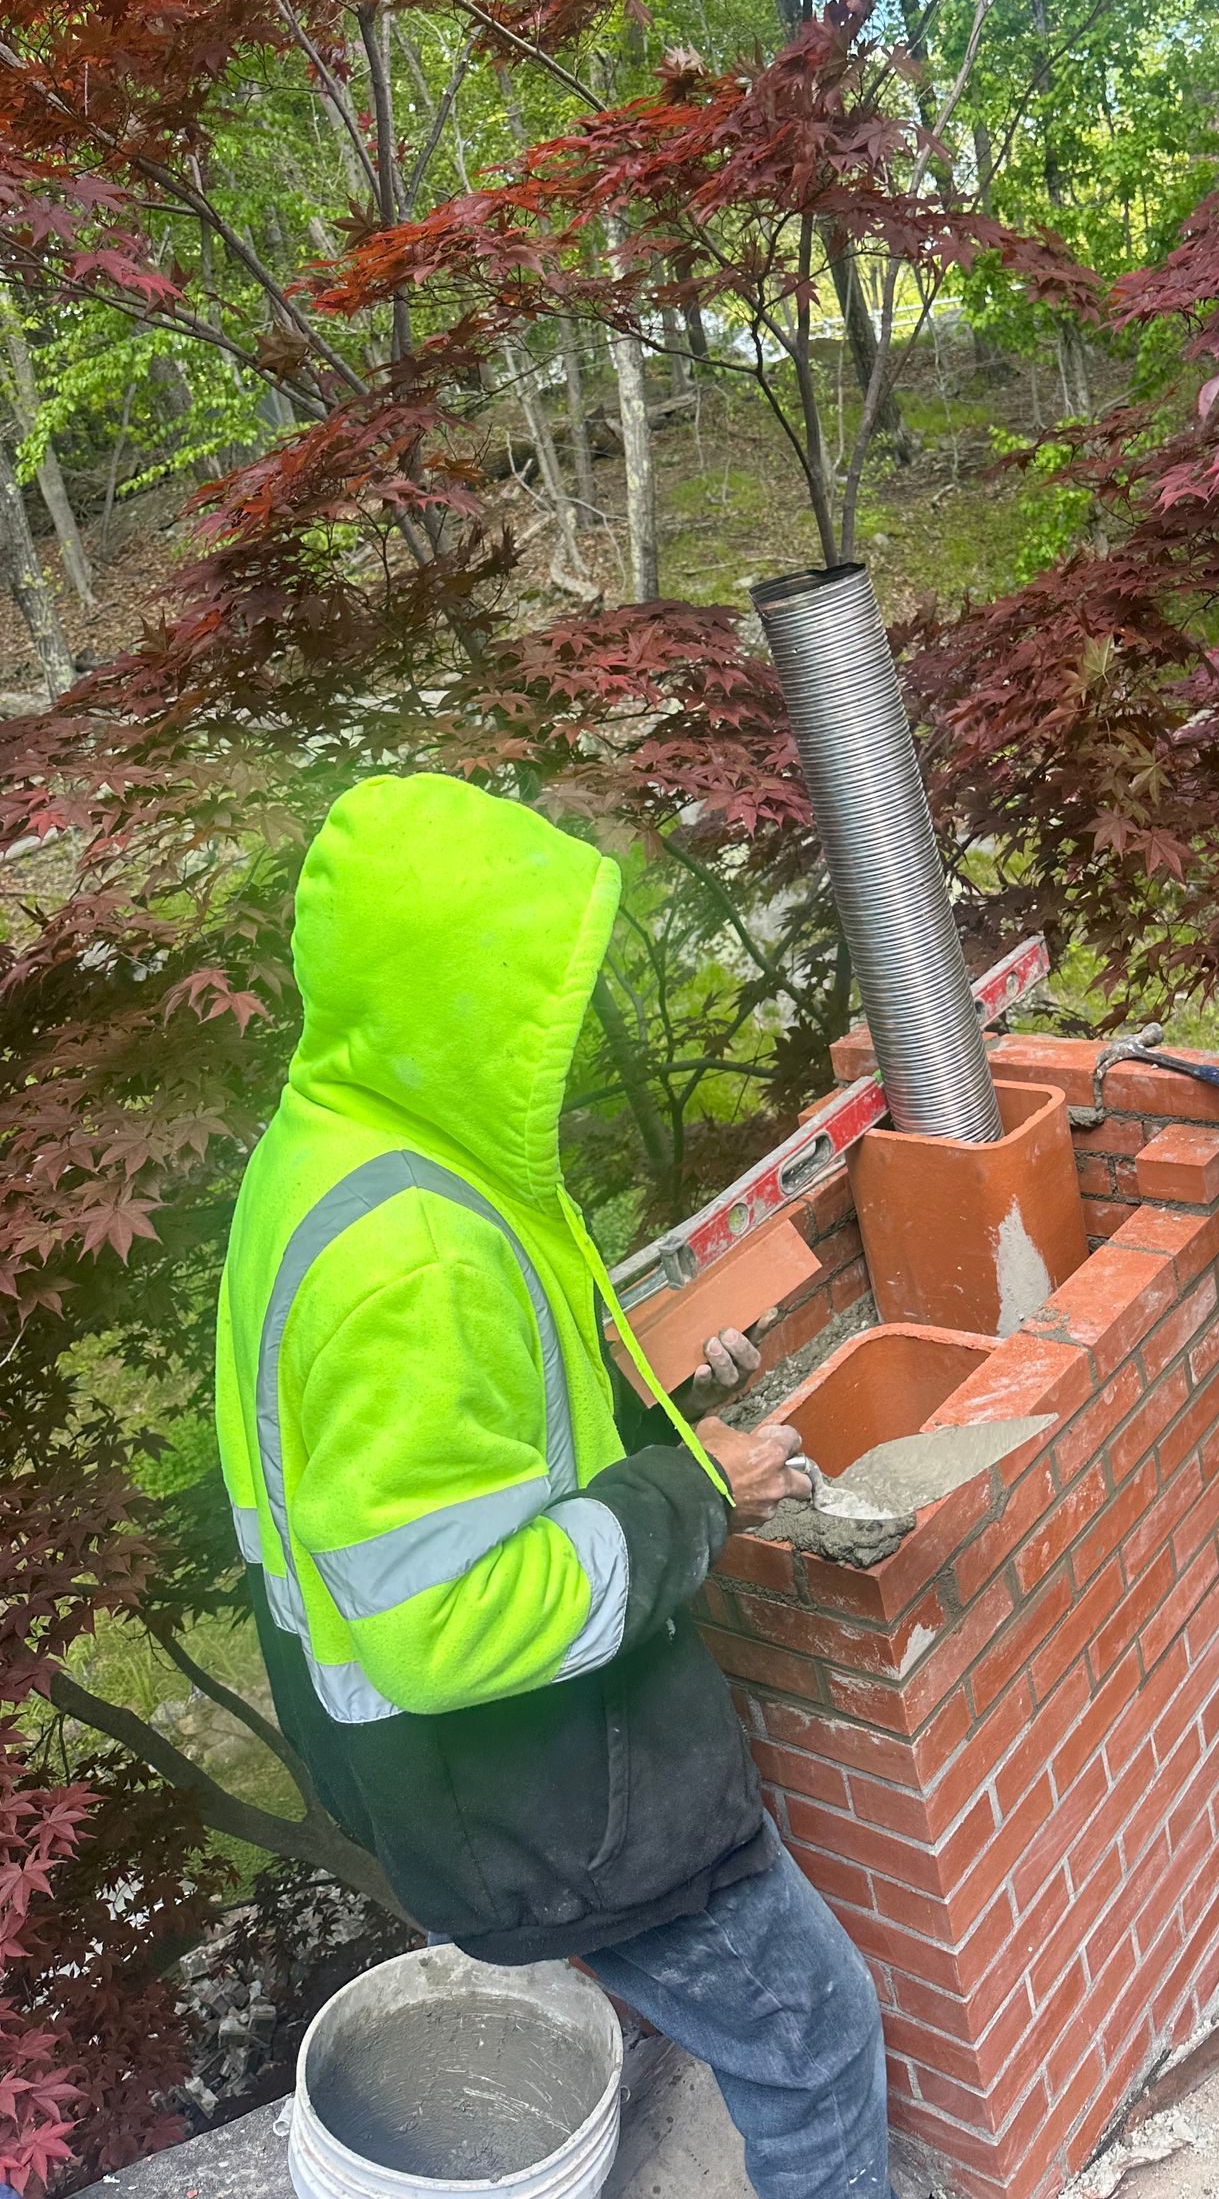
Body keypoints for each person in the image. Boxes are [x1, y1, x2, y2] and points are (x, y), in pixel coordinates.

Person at [214, 772, 897, 2199]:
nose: (571, 1030)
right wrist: (693, 1490)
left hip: (486, 1782)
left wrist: (653, 1400)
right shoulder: (408, 1256)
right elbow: (450, 1619)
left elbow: (454, 1450)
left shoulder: (347, 1144)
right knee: (813, 2034)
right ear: (456, 993)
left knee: (768, 2020)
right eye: (538, 992)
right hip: (544, 1790)